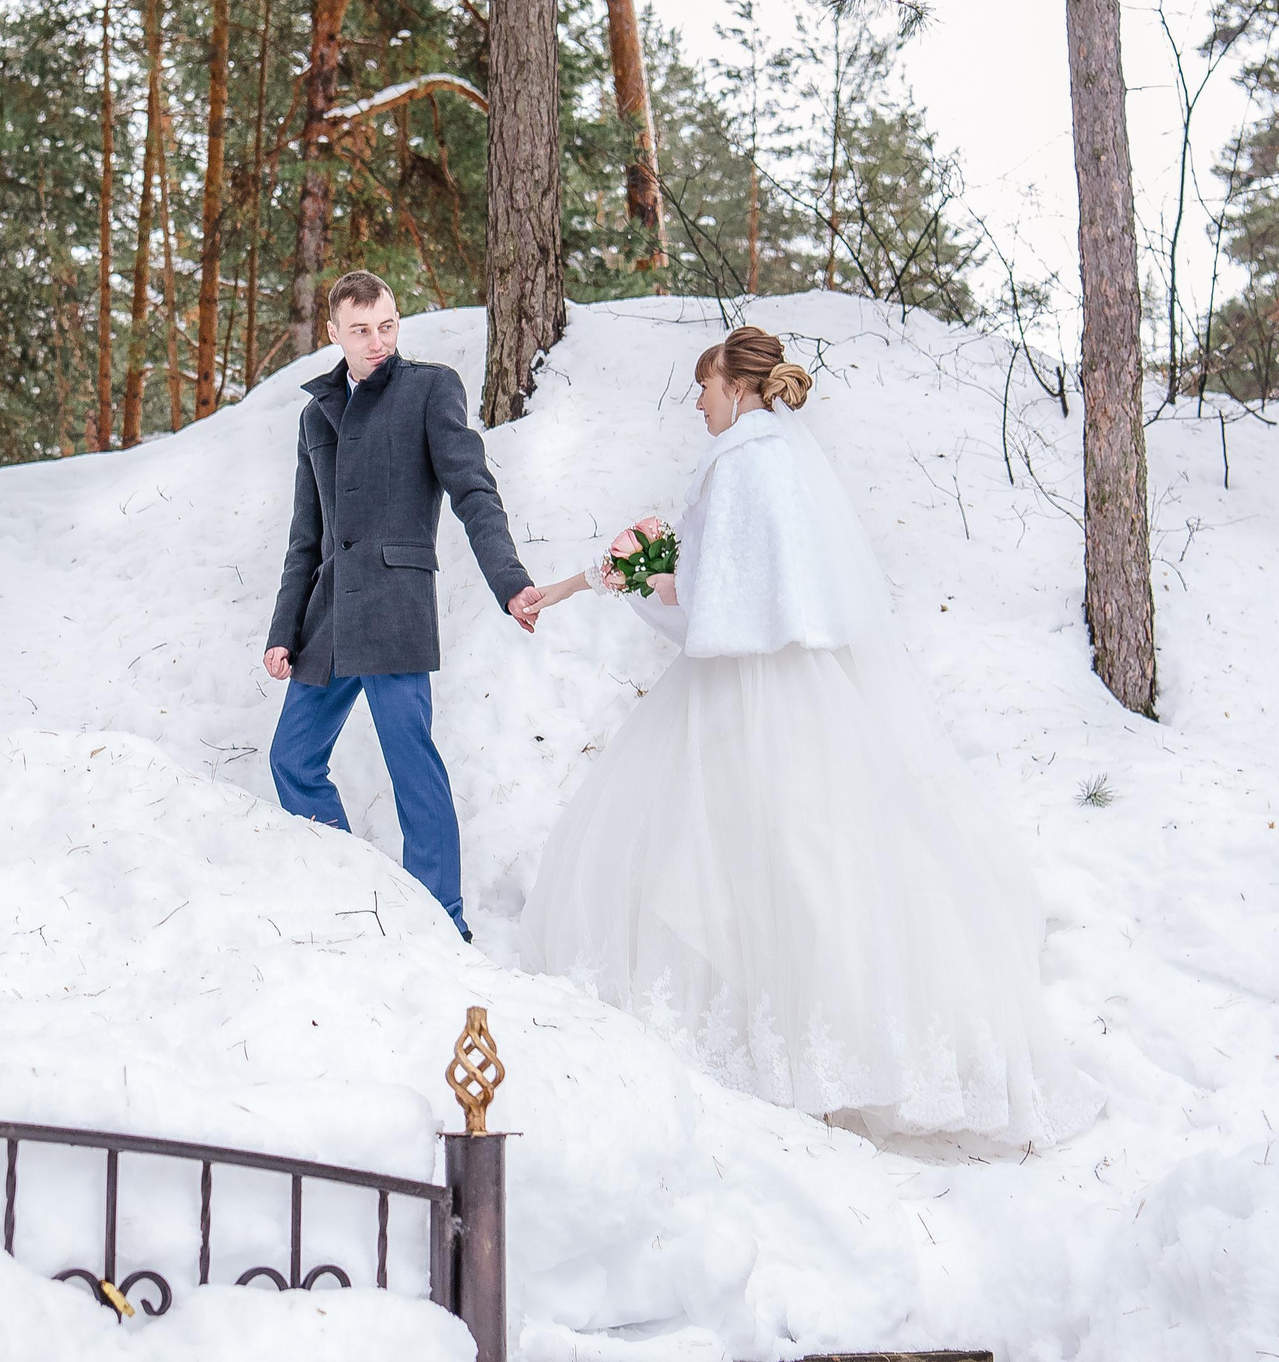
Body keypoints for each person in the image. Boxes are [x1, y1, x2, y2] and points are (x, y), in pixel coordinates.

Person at [521, 325, 1095, 1143]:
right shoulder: (779, 459)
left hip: (744, 689)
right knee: (806, 858)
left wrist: (641, 585)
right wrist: (606, 578)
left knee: (742, 853)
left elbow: (710, 610)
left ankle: (785, 1054)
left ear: (740, 387)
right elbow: (737, 585)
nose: (699, 400)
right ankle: (813, 1050)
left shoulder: (741, 465)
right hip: (794, 679)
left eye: (707, 387)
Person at [263, 271, 545, 942]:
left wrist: (509, 580)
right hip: (329, 621)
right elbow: (305, 537)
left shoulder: (428, 388)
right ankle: (349, 886)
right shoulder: (315, 414)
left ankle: (442, 920)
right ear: (334, 333)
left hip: (394, 609)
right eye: (360, 329)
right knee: (292, 760)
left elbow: (473, 491)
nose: (377, 340)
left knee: (412, 765)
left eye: (387, 324)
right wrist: (283, 629)